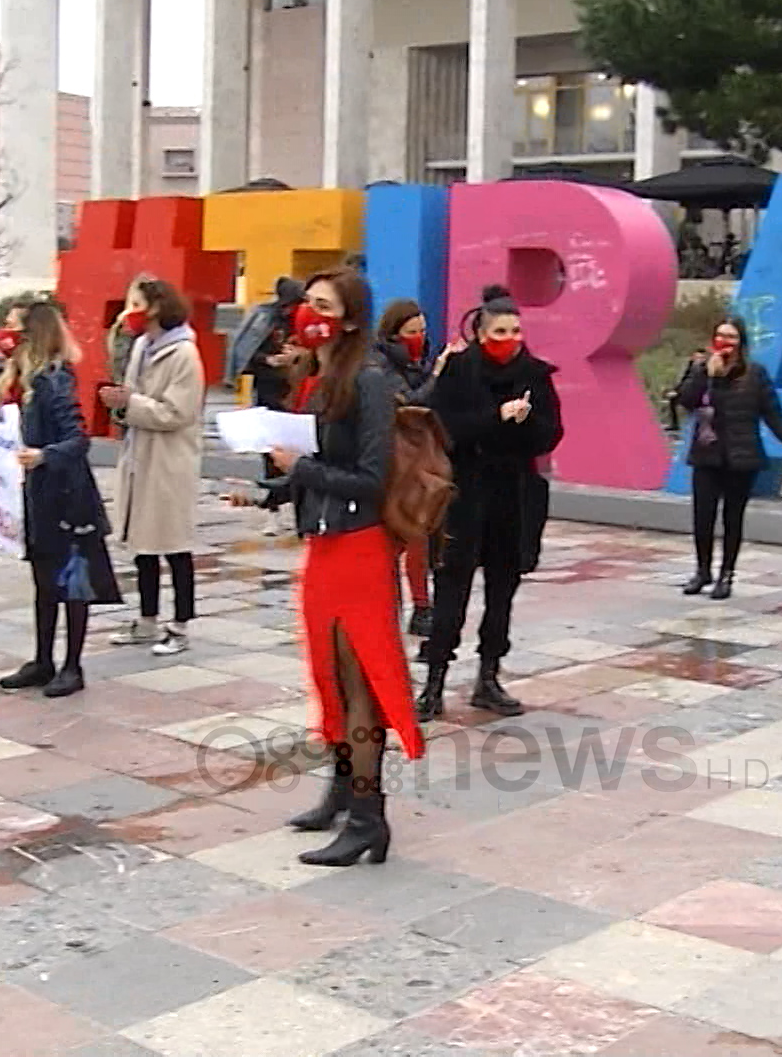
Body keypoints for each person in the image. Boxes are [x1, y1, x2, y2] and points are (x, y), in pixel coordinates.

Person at [240, 267, 421, 866]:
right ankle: (343, 793)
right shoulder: (322, 378)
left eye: (323, 305)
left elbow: (369, 478)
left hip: (360, 548)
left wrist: (300, 468)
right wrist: (272, 489)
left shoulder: (368, 380)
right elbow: (318, 464)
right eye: (308, 303)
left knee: (360, 681)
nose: (308, 315)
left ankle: (370, 817)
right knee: (332, 678)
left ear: (348, 319)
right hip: (325, 544)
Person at [414, 285, 564, 722]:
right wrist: (494, 418)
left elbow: (551, 433)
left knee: (502, 591)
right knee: (451, 590)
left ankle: (489, 676)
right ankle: (434, 682)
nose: (509, 339)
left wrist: (526, 420)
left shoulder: (535, 374)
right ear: (481, 333)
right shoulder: (459, 371)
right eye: (500, 331)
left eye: (516, 331)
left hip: (514, 495)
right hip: (463, 494)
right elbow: (444, 427)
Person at [0, 302, 123, 697]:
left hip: (67, 495)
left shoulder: (54, 380)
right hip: (39, 492)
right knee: (44, 579)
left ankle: (72, 665)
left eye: (15, 328)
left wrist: (44, 455)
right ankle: (43, 659)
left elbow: (78, 438)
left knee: (73, 582)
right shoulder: (25, 382)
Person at [101, 278, 204, 656]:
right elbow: (133, 398)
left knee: (173, 544)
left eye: (136, 303)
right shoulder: (142, 345)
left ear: (157, 306)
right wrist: (120, 405)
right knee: (143, 543)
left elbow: (176, 412)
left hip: (169, 460)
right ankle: (146, 619)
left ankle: (180, 624)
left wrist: (130, 404)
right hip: (139, 455)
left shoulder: (184, 354)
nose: (130, 311)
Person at [675, 316, 782, 601]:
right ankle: (702, 570)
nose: (725, 342)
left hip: (741, 457)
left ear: (741, 342)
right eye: (720, 335)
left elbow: (773, 416)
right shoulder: (702, 369)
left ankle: (726, 573)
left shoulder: (755, 374)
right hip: (707, 455)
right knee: (702, 516)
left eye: (731, 337)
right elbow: (685, 400)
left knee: (732, 517)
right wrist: (705, 375)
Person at [374, 298, 454, 637]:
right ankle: (396, 606)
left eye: (422, 330)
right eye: (412, 331)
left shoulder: (417, 360)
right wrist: (437, 374)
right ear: (394, 333)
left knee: (420, 530)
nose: (419, 337)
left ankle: (422, 607)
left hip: (421, 455)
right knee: (401, 532)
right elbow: (410, 402)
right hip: (396, 458)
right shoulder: (381, 364)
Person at [238, 277, 304, 536]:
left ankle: (300, 513)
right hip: (269, 394)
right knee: (270, 455)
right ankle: (273, 511)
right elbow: (247, 355)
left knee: (301, 455)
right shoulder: (264, 320)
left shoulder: (304, 322)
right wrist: (269, 360)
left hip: (296, 396)